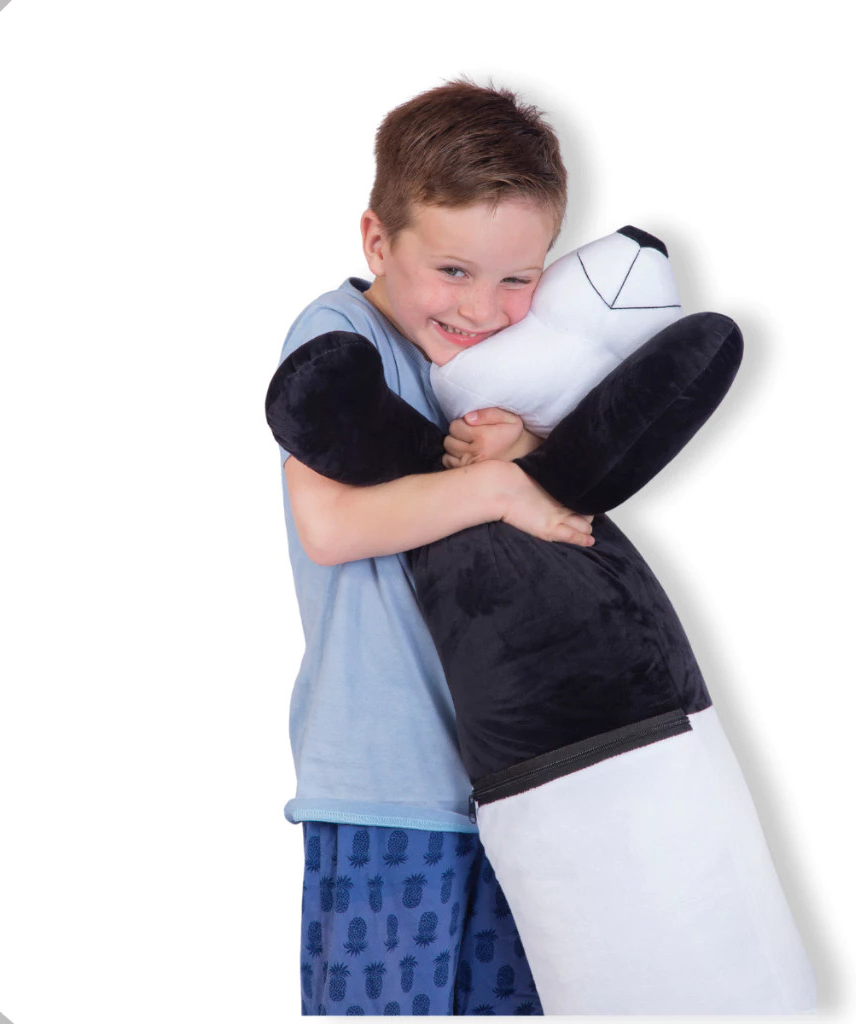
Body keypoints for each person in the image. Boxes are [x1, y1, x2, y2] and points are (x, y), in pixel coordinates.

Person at [273, 79, 591, 1015]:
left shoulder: (498, 370)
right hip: (385, 782)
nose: (483, 308)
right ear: (378, 242)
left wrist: (527, 449)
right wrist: (496, 486)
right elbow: (331, 526)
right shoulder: (338, 339)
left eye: (517, 279)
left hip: (514, 779)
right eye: (453, 270)